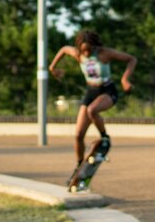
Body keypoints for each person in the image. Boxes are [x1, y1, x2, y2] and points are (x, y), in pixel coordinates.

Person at [49, 30, 136, 181]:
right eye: (84, 50)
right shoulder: (78, 54)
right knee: (78, 135)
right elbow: (63, 49)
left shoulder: (104, 54)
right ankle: (79, 167)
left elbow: (131, 59)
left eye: (90, 49)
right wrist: (52, 68)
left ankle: (104, 137)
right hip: (91, 92)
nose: (87, 52)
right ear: (80, 49)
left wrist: (125, 79)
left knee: (92, 110)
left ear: (95, 47)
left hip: (107, 91)